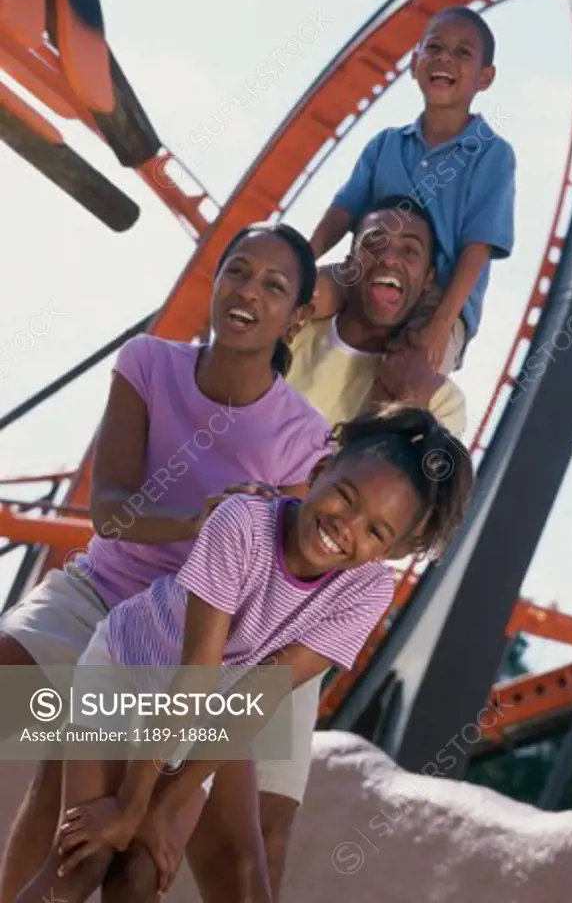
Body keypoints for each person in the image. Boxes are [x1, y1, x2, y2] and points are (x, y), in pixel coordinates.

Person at [0, 224, 331, 903]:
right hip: (98, 594)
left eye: (273, 286)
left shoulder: (305, 437)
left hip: (192, 638)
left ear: (296, 316)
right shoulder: (147, 362)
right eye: (237, 272)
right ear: (215, 282)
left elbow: (281, 578)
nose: (247, 292)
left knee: (213, 861)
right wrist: (196, 523)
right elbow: (110, 510)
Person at [22, 405, 474, 903]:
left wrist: (165, 809)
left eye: (375, 532)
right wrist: (131, 805)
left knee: (141, 877)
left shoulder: (365, 591)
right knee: (83, 862)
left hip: (206, 712)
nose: (347, 527)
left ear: (389, 552)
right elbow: (198, 666)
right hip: (126, 669)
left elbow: (257, 697)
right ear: (320, 473)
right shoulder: (242, 524)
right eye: (346, 498)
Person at [308, 6, 516, 375]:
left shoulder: (491, 154)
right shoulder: (385, 144)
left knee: (411, 371)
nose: (444, 59)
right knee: (295, 294)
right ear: (413, 62)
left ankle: (372, 433)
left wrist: (440, 325)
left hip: (440, 299)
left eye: (462, 53)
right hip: (366, 272)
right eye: (433, 48)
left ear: (485, 78)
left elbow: (477, 248)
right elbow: (343, 210)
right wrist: (302, 262)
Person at [287, 196, 467, 433]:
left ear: (428, 280)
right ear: (350, 265)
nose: (390, 258)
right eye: (373, 243)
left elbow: (412, 469)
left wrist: (409, 401)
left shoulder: (442, 403)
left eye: (410, 251)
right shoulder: (286, 334)